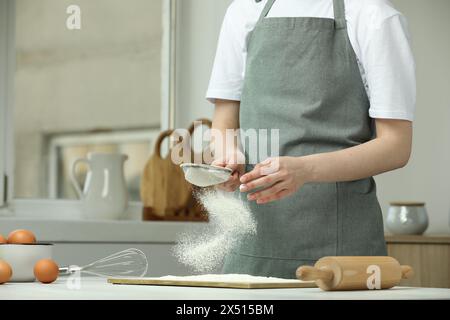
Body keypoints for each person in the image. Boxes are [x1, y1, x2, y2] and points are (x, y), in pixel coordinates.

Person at [206, 0, 415, 279]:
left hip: (343, 252)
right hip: (252, 247)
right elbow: (224, 120)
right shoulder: (243, 11)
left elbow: (396, 147)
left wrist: (305, 170)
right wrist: (227, 156)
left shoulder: (373, 16)